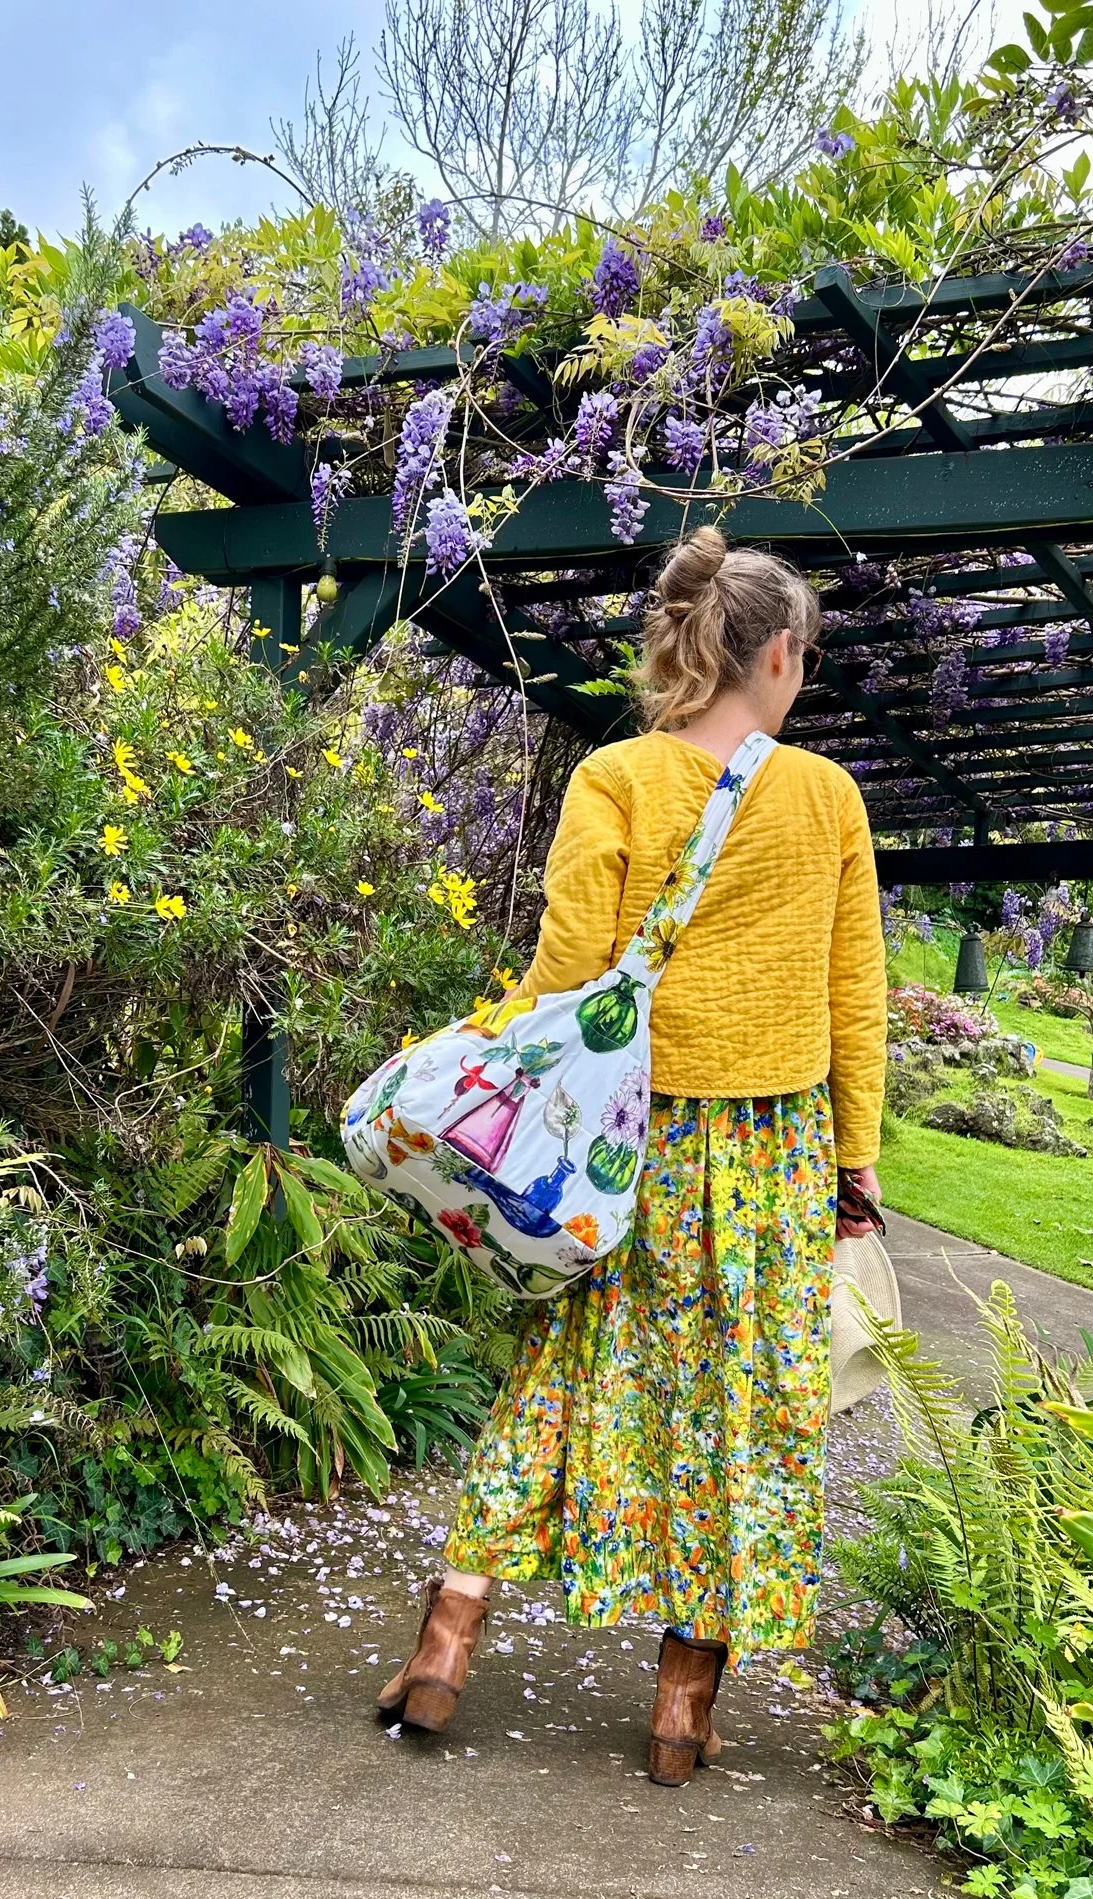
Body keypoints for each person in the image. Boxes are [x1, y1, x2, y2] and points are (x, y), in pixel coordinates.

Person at [378, 526, 888, 1783]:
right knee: (749, 1415)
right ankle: (679, 1705)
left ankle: (447, 1641)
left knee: (557, 1383)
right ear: (776, 652)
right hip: (771, 1154)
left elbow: (569, 973)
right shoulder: (827, 799)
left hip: (623, 1145)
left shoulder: (613, 777)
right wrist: (857, 1165)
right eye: (804, 655)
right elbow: (854, 994)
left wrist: (483, 1044)